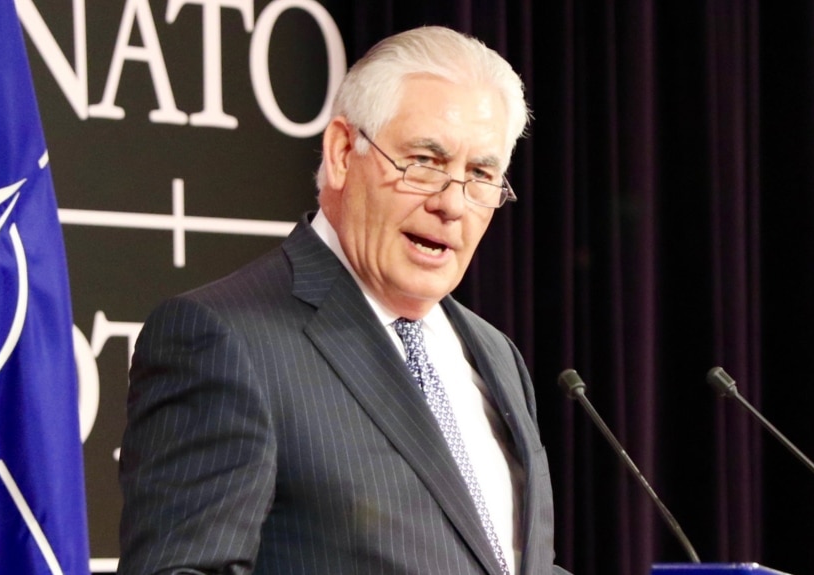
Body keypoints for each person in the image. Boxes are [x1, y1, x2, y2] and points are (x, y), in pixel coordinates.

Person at [118, 25, 570, 575]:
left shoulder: (496, 355)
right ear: (341, 153)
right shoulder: (224, 339)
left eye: (480, 174)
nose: (453, 204)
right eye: (425, 161)